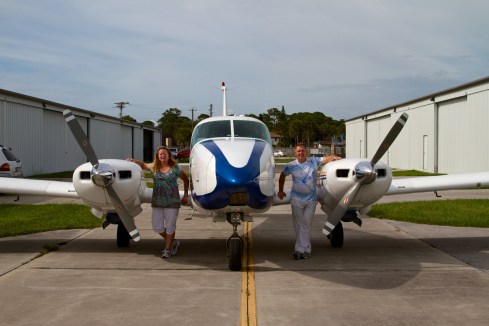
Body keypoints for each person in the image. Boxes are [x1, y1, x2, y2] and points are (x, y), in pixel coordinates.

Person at [277, 145, 341, 260]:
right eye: (298, 151)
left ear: (306, 152)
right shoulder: (291, 165)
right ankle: (304, 250)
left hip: (311, 200)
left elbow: (325, 159)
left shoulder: (313, 161)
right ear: (295, 153)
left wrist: (334, 157)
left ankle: (301, 250)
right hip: (296, 199)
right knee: (298, 226)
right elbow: (282, 175)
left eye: (302, 151)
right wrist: (281, 190)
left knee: (306, 223)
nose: (300, 153)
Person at [128, 146, 189, 259]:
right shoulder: (154, 167)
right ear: (157, 156)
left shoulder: (175, 168)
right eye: (160, 154)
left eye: (164, 154)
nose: (162, 156)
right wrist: (134, 161)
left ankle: (168, 249)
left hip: (172, 202)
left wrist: (185, 195)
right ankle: (173, 242)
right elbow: (142, 165)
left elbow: (186, 180)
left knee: (170, 226)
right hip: (157, 202)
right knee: (157, 227)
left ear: (168, 155)